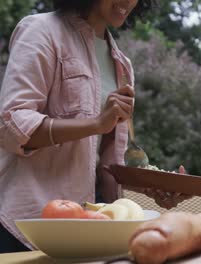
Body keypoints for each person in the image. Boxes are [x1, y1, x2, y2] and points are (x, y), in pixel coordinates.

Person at [0, 0, 158, 253]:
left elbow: (108, 163)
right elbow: (12, 126)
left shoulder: (122, 64)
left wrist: (152, 187)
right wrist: (95, 123)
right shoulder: (41, 30)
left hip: (82, 227)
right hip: (24, 226)